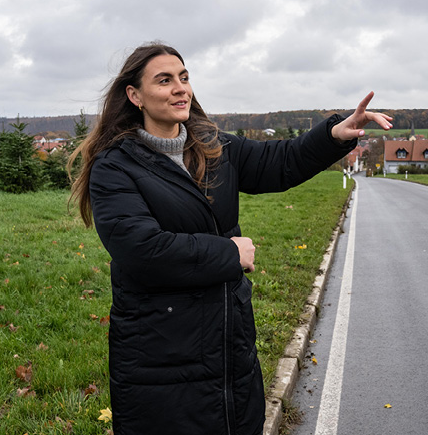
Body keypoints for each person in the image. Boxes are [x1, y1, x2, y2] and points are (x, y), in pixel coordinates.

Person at [68, 42, 392, 435]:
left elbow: (281, 162)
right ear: (134, 96)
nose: (180, 89)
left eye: (184, 78)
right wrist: (229, 253)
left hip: (227, 344)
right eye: (165, 80)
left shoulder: (213, 146)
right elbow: (142, 251)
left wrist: (334, 135)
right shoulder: (116, 166)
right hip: (162, 351)